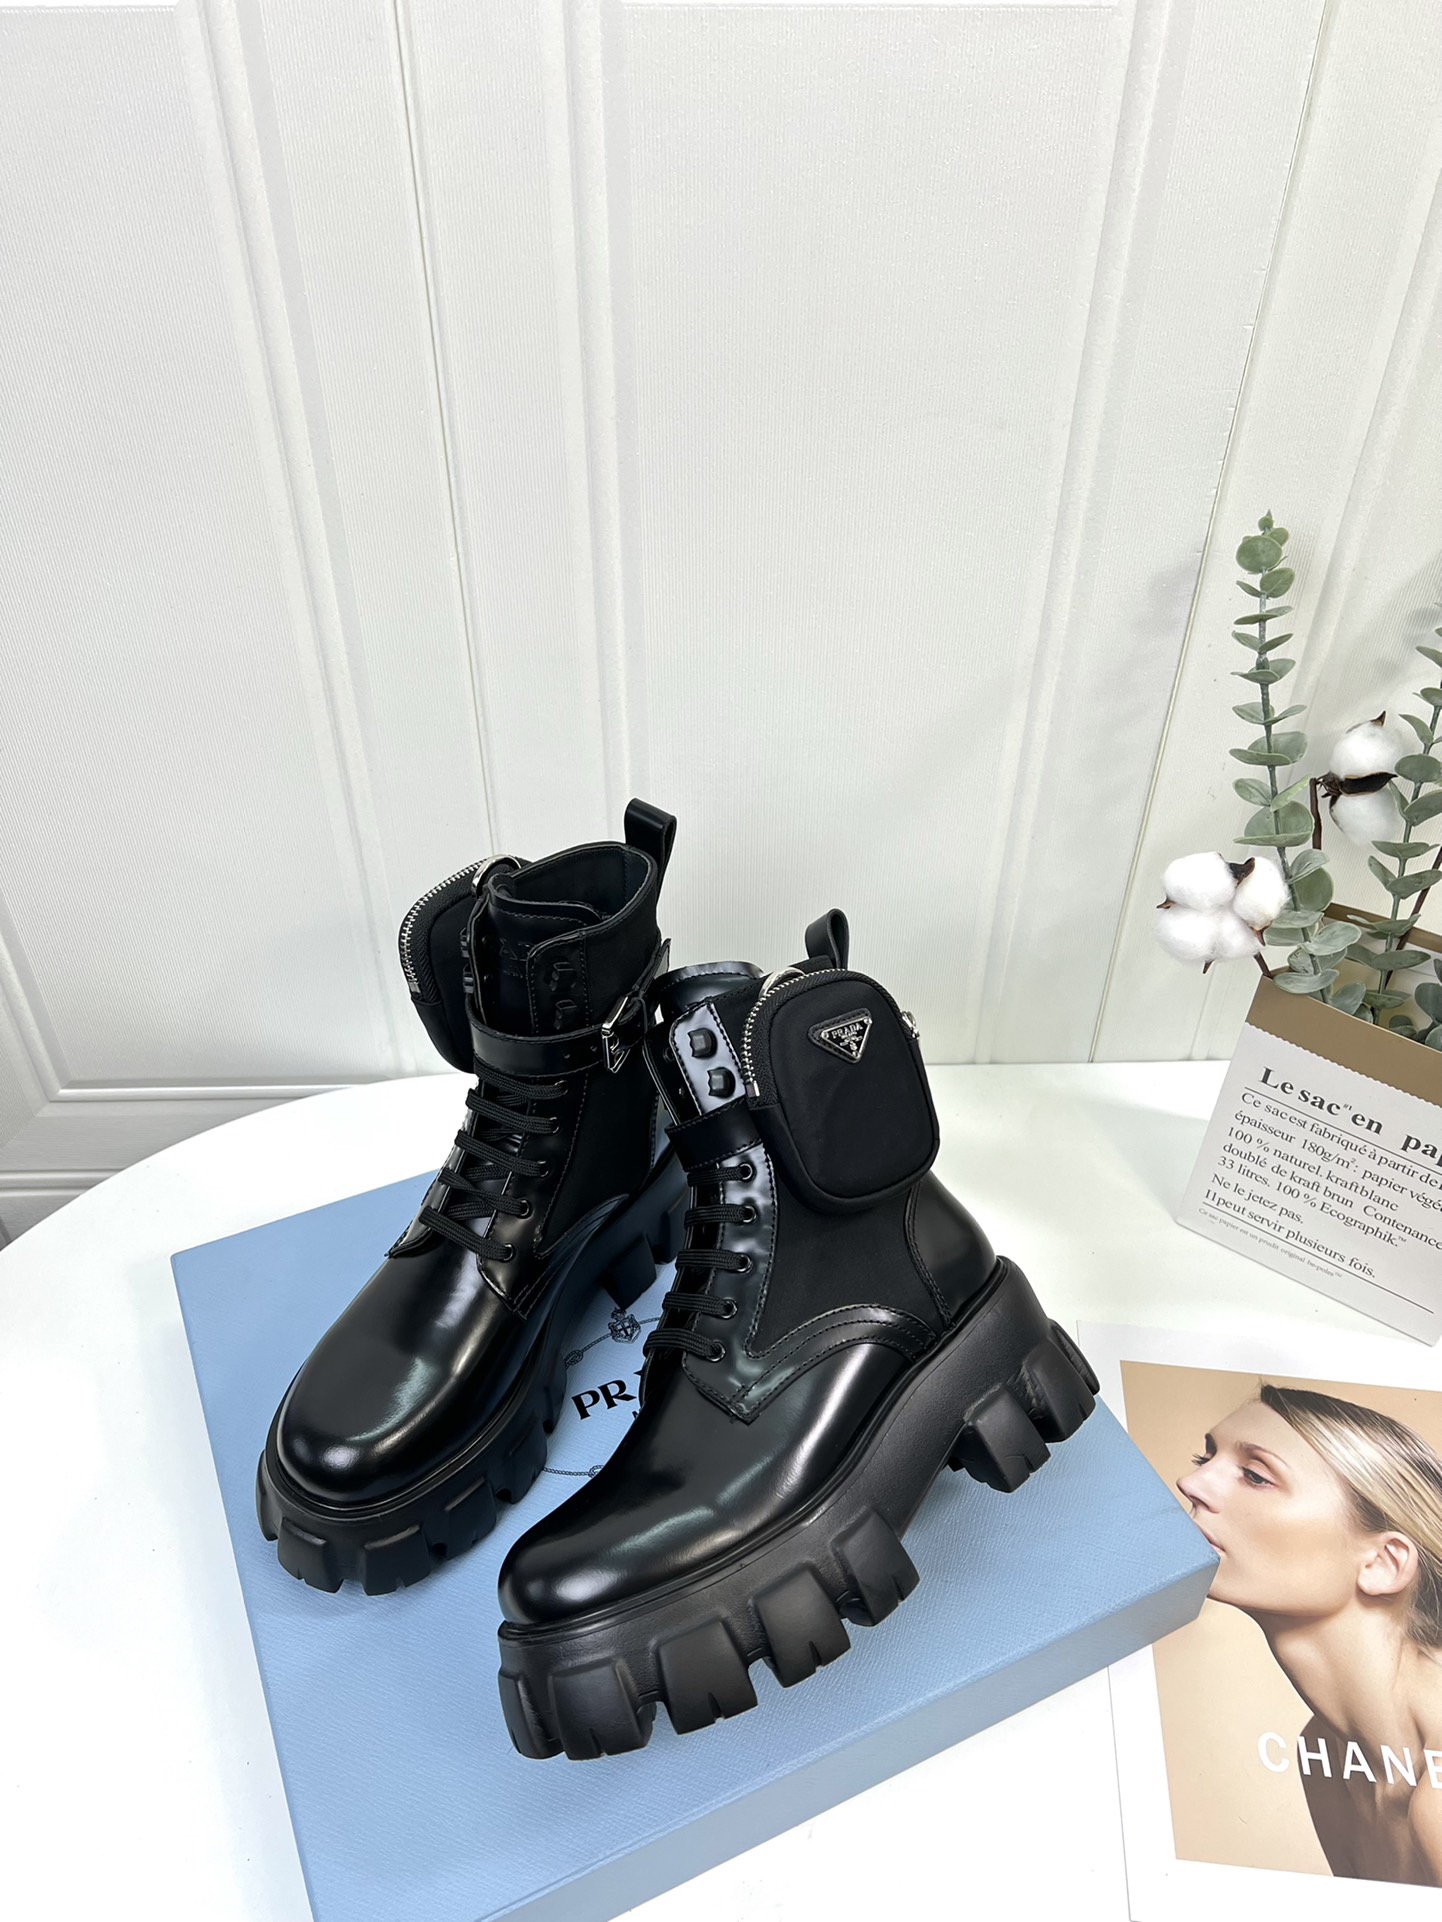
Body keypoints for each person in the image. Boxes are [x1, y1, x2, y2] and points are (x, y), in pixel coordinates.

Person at [1178, 1383, 1442, 1886]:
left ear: (1383, 1564)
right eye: (1204, 1458)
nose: (1191, 1483)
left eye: (1256, 1476)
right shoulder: (1324, 1754)